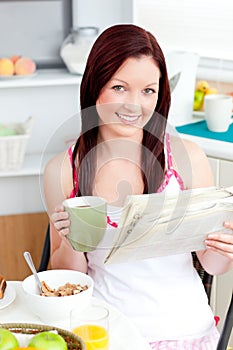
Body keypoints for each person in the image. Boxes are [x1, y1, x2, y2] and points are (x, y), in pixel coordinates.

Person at [44, 24, 233, 349]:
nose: (135, 105)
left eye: (148, 90)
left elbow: (212, 264)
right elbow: (64, 280)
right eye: (119, 87)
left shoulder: (188, 157)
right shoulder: (64, 169)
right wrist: (70, 242)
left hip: (185, 333)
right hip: (103, 333)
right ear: (95, 87)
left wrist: (226, 246)